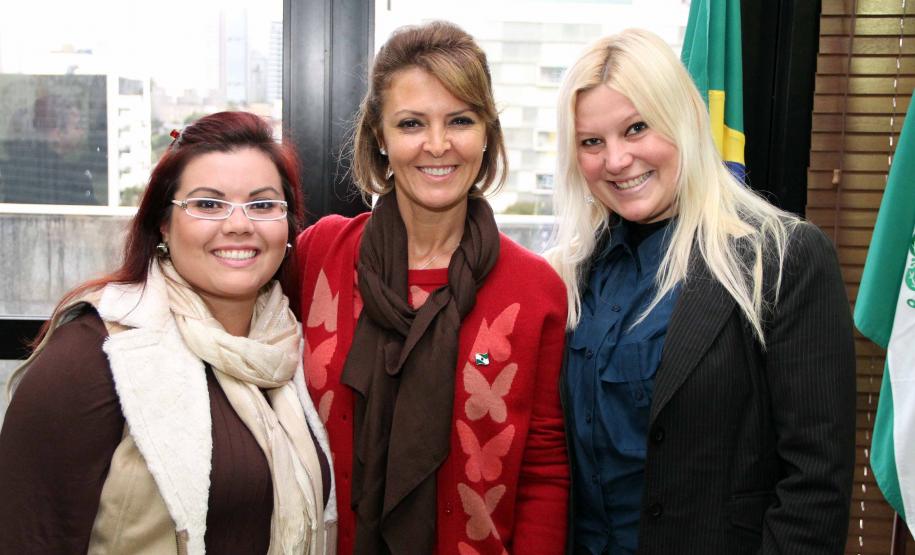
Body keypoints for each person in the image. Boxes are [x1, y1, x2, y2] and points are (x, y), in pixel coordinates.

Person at [546, 29, 855, 554]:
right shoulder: (569, 275)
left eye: (636, 128)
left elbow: (814, 487)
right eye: (592, 142)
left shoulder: (783, 259)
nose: (616, 160)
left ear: (684, 120)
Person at [0, 111, 336, 554]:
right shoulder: (94, 354)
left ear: (288, 223)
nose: (239, 225)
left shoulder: (289, 343)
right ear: (163, 223)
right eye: (208, 204)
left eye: (262, 204)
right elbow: (30, 537)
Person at [295, 21, 569, 555]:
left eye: (460, 120)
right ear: (380, 134)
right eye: (412, 123)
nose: (437, 145)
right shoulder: (319, 255)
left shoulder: (534, 289)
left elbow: (543, 472)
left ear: (487, 131)